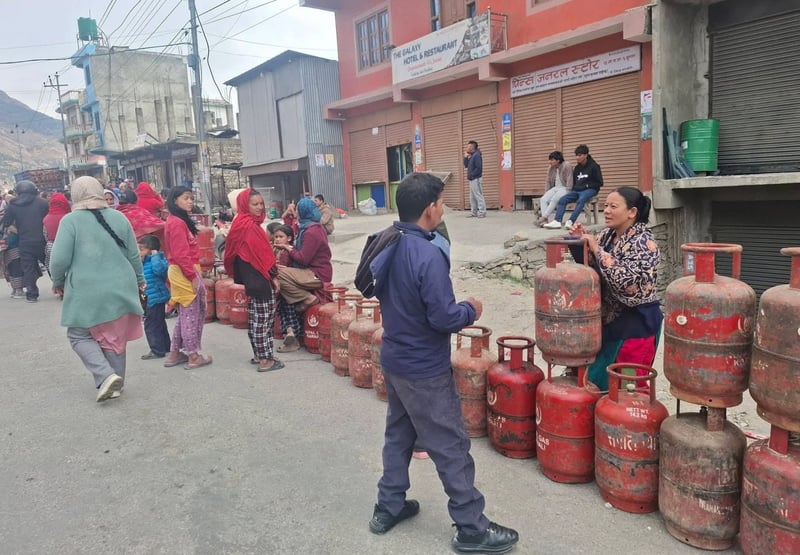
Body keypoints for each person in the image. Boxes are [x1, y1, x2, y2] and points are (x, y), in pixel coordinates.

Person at [367, 172, 519, 553]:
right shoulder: (427, 255)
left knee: (399, 434)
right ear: (430, 209)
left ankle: (389, 506)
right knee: (450, 444)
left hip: (396, 358)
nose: (443, 208)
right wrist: (471, 308)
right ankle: (471, 526)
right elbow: (443, 318)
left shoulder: (386, 240)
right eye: (441, 202)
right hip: (424, 368)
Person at [49, 176, 145, 402]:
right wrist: (140, 279)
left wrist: (58, 282)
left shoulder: (70, 221)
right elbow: (133, 253)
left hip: (87, 288)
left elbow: (59, 259)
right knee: (114, 335)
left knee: (78, 334)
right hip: (122, 284)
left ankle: (106, 375)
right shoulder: (119, 217)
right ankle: (115, 381)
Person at [568, 186, 662, 391]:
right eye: (605, 206)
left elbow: (625, 282)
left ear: (632, 212)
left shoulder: (645, 242)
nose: (607, 211)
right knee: (596, 381)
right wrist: (579, 244)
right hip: (609, 322)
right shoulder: (607, 235)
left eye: (613, 206)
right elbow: (593, 267)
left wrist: (596, 249)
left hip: (636, 325)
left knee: (627, 387)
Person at [224, 189, 284, 372]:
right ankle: (266, 359)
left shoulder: (240, 223)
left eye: (261, 204)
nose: (259, 208)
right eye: (254, 204)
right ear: (244, 205)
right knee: (263, 320)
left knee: (256, 319)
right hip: (259, 278)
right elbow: (264, 256)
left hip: (250, 278)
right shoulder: (250, 227)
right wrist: (273, 277)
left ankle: (260, 354)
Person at [163, 186, 213, 370]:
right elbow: (180, 253)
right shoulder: (176, 222)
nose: (190, 201)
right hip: (184, 270)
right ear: (175, 200)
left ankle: (175, 353)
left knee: (186, 314)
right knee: (192, 315)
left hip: (183, 270)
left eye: (191, 198)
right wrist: (192, 276)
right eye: (186, 198)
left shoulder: (177, 220)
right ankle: (193, 355)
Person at [275, 197, 332, 314]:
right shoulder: (307, 227)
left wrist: (288, 248)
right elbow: (287, 222)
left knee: (278, 274)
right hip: (312, 270)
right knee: (282, 270)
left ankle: (307, 298)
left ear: (303, 212)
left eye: (297, 210)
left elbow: (303, 258)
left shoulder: (312, 231)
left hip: (317, 273)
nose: (296, 213)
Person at [0, 181, 49, 302]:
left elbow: (6, 224)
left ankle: (31, 295)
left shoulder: (13, 205)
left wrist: (19, 232)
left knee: (28, 269)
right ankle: (61, 288)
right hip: (41, 240)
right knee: (50, 265)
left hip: (24, 241)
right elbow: (48, 220)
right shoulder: (42, 203)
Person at [545, 144, 603, 229]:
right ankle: (557, 221)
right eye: (576, 155)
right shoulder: (577, 168)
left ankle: (571, 221)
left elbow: (600, 182)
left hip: (590, 189)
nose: (577, 157)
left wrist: (587, 185)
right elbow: (574, 182)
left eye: (580, 155)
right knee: (563, 199)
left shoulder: (594, 166)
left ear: (586, 155)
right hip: (577, 190)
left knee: (581, 199)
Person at [138, 234, 171, 360]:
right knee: (159, 323)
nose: (139, 252)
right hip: (149, 297)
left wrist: (155, 255)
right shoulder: (144, 262)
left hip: (156, 297)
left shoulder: (158, 260)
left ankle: (157, 350)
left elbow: (160, 271)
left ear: (151, 250)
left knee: (151, 325)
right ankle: (166, 346)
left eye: (142, 249)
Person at [271, 224, 303, 352]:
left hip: (288, 286)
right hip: (283, 287)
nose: (278, 239)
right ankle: (290, 333)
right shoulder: (277, 249)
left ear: (289, 238)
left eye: (281, 237)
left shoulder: (287, 251)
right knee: (285, 310)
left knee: (288, 310)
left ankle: (292, 336)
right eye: (276, 237)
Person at [535, 151, 573, 227]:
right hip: (555, 188)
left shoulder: (567, 165)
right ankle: (545, 221)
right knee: (543, 199)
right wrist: (546, 192)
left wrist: (569, 190)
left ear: (558, 160)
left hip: (565, 187)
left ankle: (543, 217)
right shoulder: (550, 168)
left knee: (554, 199)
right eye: (550, 160)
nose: (550, 162)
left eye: (552, 160)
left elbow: (570, 178)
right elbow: (548, 181)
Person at [0, 192, 24, 298]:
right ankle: (18, 290)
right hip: (13, 245)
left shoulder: (4, 213)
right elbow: (13, 229)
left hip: (4, 246)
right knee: (16, 267)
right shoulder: (11, 215)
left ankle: (15, 289)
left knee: (10, 267)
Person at [43, 192, 71, 274]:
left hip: (52, 248)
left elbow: (45, 235)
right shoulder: (69, 217)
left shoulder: (46, 219)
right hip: (68, 247)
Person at [463, 140, 486, 218]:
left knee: (478, 195)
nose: (467, 148)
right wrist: (466, 158)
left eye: (468, 146)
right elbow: (466, 165)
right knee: (472, 197)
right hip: (472, 179)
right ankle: (474, 212)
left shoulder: (477, 155)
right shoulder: (472, 156)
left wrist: (472, 175)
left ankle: (482, 212)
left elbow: (479, 168)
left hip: (476, 179)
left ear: (472, 147)